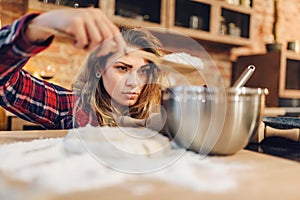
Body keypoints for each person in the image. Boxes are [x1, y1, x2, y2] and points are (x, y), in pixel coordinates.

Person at [0, 8, 166, 130]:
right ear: (99, 68)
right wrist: (41, 24)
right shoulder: (72, 109)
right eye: (122, 68)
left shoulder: (158, 118)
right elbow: (6, 86)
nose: (134, 83)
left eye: (143, 72)